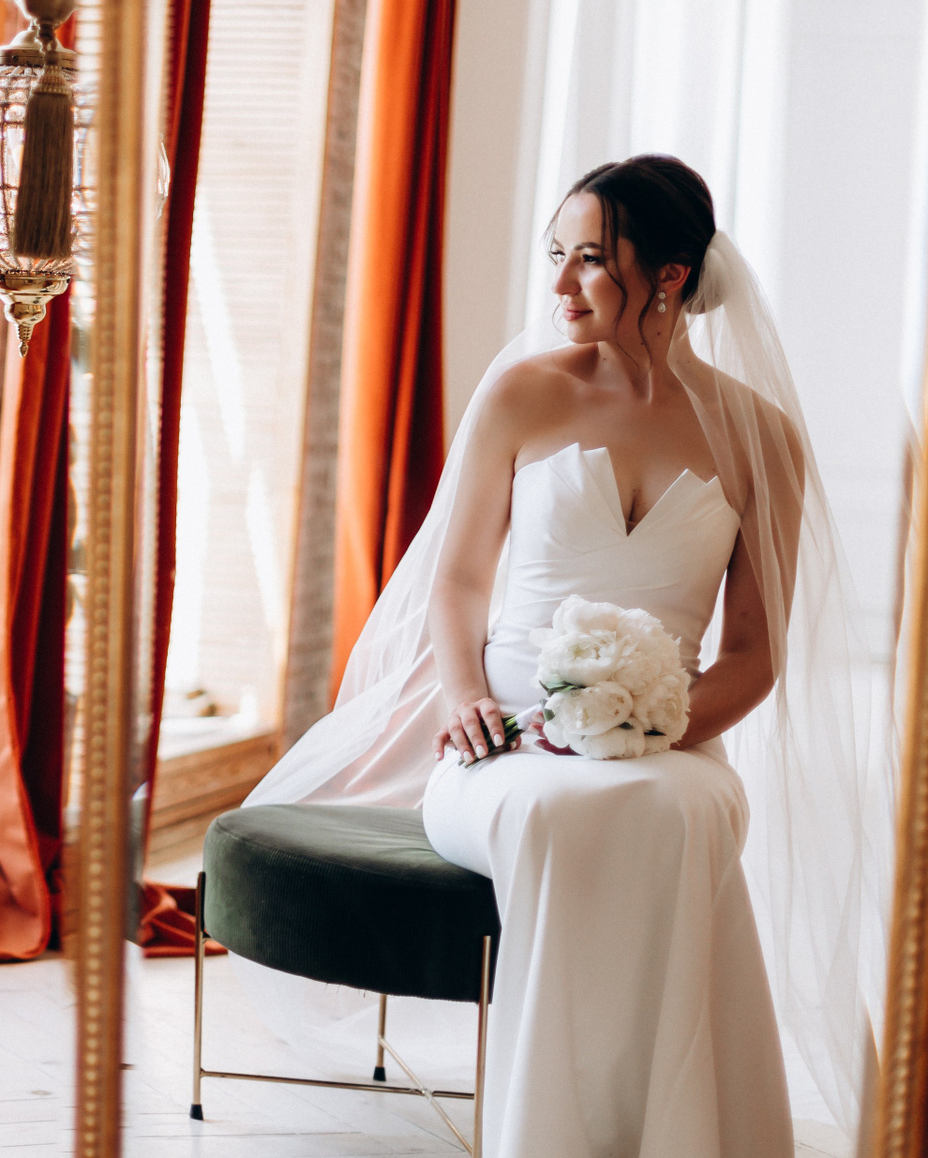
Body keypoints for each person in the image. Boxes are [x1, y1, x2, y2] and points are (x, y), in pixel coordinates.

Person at [242, 156, 888, 1158]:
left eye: (590, 258)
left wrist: (647, 726)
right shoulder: (522, 396)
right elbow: (459, 583)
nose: (559, 284)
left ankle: (671, 1132)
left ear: (669, 275)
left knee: (679, 810)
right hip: (498, 742)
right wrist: (465, 699)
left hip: (670, 746)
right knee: (554, 810)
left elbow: (754, 654)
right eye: (558, 254)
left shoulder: (762, 439)